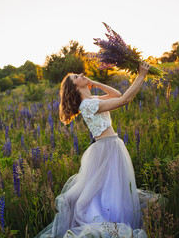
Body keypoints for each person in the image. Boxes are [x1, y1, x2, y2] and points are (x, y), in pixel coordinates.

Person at [36, 61, 154, 238]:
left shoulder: (91, 101)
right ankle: (110, 225)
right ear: (74, 87)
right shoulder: (88, 105)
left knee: (111, 190)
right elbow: (124, 100)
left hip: (110, 146)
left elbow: (117, 94)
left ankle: (113, 221)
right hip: (108, 149)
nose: (81, 75)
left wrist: (95, 83)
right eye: (77, 77)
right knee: (110, 191)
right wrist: (141, 76)